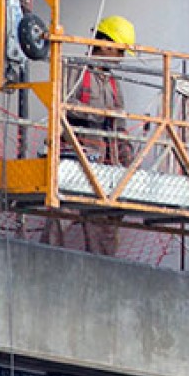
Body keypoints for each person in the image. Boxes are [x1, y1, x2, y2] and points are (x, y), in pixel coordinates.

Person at [54, 15, 136, 255]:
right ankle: (44, 262)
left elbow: (119, 126)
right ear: (104, 44)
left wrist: (130, 164)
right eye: (119, 51)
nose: (120, 58)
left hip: (103, 165)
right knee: (60, 214)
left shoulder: (111, 82)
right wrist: (97, 112)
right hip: (73, 158)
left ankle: (105, 270)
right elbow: (60, 105)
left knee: (105, 224)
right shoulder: (75, 69)